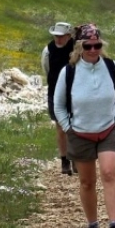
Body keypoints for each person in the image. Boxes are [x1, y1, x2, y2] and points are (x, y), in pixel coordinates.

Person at [53, 23, 115, 228]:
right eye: (88, 46)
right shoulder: (68, 72)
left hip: (109, 129)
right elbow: (58, 105)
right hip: (80, 132)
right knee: (87, 181)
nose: (93, 50)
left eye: (97, 45)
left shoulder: (111, 66)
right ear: (79, 46)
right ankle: (92, 225)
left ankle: (114, 225)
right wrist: (68, 128)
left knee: (109, 173)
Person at [42, 21, 76, 175]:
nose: (58, 39)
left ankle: (75, 157)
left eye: (61, 36)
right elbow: (46, 69)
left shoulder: (77, 48)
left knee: (76, 126)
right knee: (60, 127)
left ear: (69, 36)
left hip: (75, 92)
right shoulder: (48, 50)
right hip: (55, 92)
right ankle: (65, 160)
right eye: (56, 36)